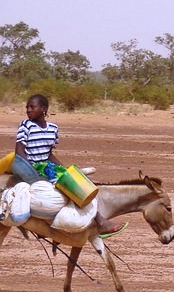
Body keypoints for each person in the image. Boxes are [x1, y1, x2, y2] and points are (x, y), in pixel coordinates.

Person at [9, 94, 125, 238]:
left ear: (44, 109)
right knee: (66, 189)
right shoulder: (26, 125)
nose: (28, 110)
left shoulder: (53, 128)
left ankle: (94, 222)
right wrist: (32, 173)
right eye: (27, 107)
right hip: (31, 166)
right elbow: (19, 150)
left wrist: (66, 170)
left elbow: (49, 154)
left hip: (48, 166)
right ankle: (100, 221)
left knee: (80, 184)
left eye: (32, 107)